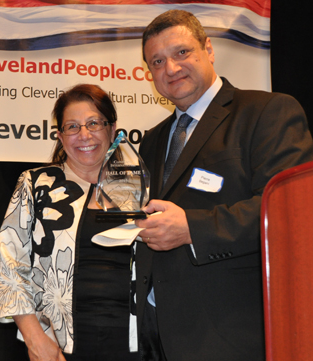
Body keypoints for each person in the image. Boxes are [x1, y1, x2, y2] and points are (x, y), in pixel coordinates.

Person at [133, 9, 313, 361]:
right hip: (162, 335)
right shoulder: (152, 141)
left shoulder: (267, 112)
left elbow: (292, 213)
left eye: (181, 53)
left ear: (209, 49)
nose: (170, 68)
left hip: (237, 331)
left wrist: (192, 229)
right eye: (157, 61)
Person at [0, 84, 140, 361]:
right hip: (58, 346)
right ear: (60, 136)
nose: (84, 135)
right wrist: (35, 339)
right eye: (72, 126)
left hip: (134, 341)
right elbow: (8, 267)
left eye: (94, 123)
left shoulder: (140, 186)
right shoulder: (36, 183)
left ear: (112, 128)